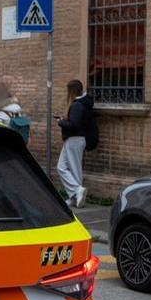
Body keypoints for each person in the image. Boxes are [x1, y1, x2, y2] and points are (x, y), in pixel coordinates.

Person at [57, 79, 97, 208]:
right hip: (75, 139)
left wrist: (61, 122)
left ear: (71, 91)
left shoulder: (77, 105)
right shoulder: (81, 104)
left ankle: (76, 192)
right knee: (61, 167)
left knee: (74, 169)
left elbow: (74, 125)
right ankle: (75, 195)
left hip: (74, 139)